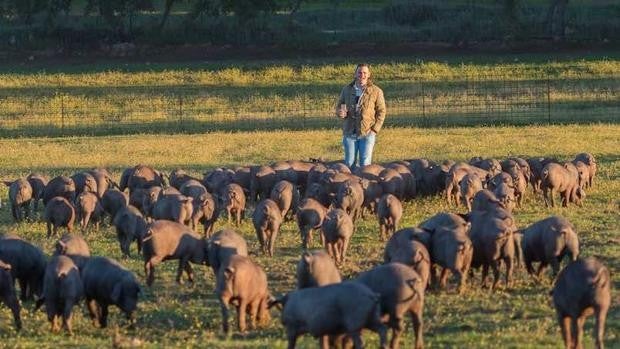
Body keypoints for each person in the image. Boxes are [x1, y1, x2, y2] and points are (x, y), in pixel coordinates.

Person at [335, 63, 386, 169]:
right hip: (349, 133)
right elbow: (339, 106)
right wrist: (340, 112)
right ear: (355, 74)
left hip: (367, 134)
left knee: (365, 165)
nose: (362, 75)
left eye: (364, 73)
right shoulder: (347, 89)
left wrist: (374, 130)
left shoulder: (376, 91)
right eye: (359, 72)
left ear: (368, 75)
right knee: (349, 164)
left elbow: (382, 112)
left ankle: (364, 185)